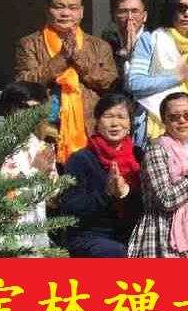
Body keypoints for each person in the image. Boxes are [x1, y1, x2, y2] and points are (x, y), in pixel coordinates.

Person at [14, 0, 118, 162]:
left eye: (72, 8)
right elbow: (24, 83)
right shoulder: (30, 43)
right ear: (48, 10)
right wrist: (61, 59)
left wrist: (79, 59)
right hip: (46, 127)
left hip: (90, 127)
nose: (65, 13)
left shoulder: (99, 46)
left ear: (81, 12)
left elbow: (110, 82)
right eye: (59, 7)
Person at [127, 92, 188, 258]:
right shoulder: (156, 150)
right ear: (164, 120)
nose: (182, 121)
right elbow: (166, 200)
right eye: (174, 117)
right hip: (163, 238)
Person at [59, 92, 142, 258]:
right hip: (89, 234)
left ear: (130, 124)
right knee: (114, 251)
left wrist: (125, 194)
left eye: (121, 117)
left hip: (131, 232)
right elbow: (70, 207)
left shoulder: (138, 156)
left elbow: (145, 204)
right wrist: (106, 193)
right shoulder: (81, 159)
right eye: (108, 116)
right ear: (97, 122)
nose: (115, 123)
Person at [128, 0, 188, 142]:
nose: (187, 14)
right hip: (153, 125)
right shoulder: (150, 39)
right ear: (171, 8)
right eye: (181, 8)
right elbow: (134, 83)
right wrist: (177, 78)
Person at [0, 82, 57, 252]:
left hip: (36, 235)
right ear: (9, 110)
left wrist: (47, 179)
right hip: (1, 238)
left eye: (36, 109)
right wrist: (35, 172)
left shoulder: (43, 148)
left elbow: (52, 200)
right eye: (23, 107)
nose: (30, 114)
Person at [101, 0, 147, 84]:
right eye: (123, 12)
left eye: (135, 11)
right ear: (113, 16)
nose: (129, 17)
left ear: (144, 16)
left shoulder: (155, 41)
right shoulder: (105, 45)